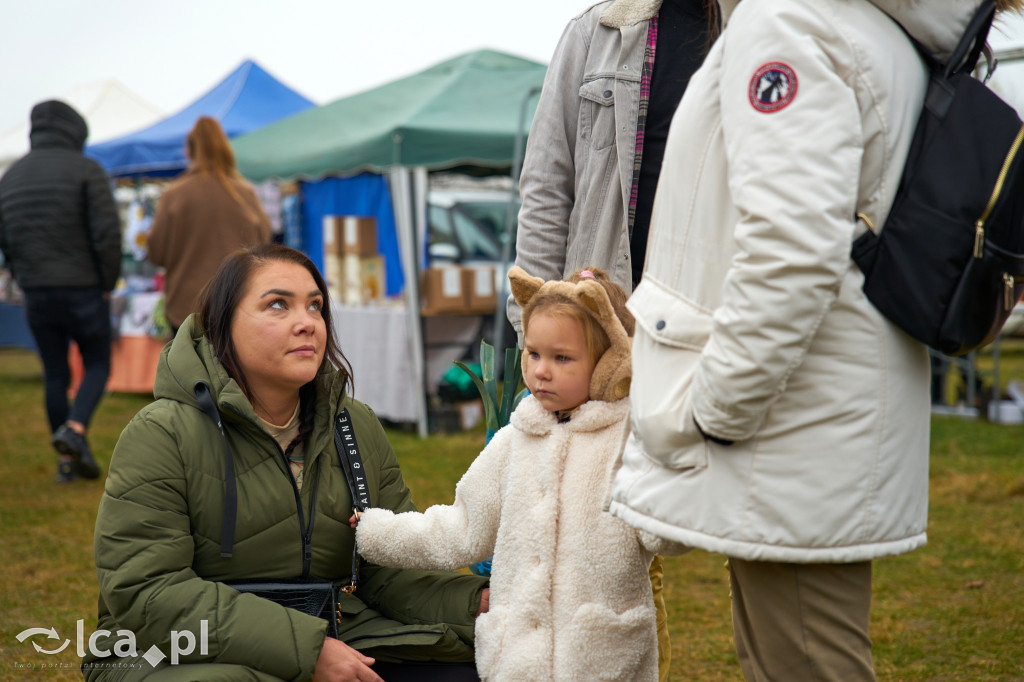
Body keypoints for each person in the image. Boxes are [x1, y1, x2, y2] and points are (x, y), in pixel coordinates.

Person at [607, 1, 1023, 680]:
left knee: (801, 661)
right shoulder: (854, 23)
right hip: (813, 414)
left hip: (787, 425)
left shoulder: (790, 21)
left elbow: (792, 252)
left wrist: (715, 408)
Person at [86, 244, 488, 682]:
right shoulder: (162, 433)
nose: (307, 323)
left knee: (481, 666)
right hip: (179, 650)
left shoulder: (354, 426)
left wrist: (480, 601)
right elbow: (148, 592)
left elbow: (389, 572)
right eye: (278, 304)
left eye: (315, 306)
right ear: (222, 324)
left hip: (342, 633)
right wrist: (306, 650)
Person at [507, 6, 718, 673]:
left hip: (711, 325)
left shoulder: (752, 23)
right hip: (604, 326)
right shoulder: (598, 31)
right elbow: (546, 183)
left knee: (693, 521)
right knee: (588, 535)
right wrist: (540, 336)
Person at [354, 266, 681, 682]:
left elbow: (665, 535)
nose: (541, 370)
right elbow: (462, 528)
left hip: (602, 659)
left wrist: (667, 463)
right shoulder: (515, 440)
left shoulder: (630, 443)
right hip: (516, 662)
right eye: (534, 353)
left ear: (611, 362)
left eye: (562, 358)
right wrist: (375, 533)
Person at [0, 100, 121, 483]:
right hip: (84, 287)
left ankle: (68, 461)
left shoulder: (11, 176)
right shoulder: (87, 169)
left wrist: (22, 275)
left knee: (55, 373)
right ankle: (76, 429)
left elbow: (6, 240)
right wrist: (108, 282)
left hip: (36, 290)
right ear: (76, 132)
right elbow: (107, 234)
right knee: (98, 362)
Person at [147, 116, 272, 333]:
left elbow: (156, 253)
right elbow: (265, 246)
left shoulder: (174, 194)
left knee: (188, 367)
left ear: (189, 151)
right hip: (237, 305)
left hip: (186, 309)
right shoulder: (245, 193)